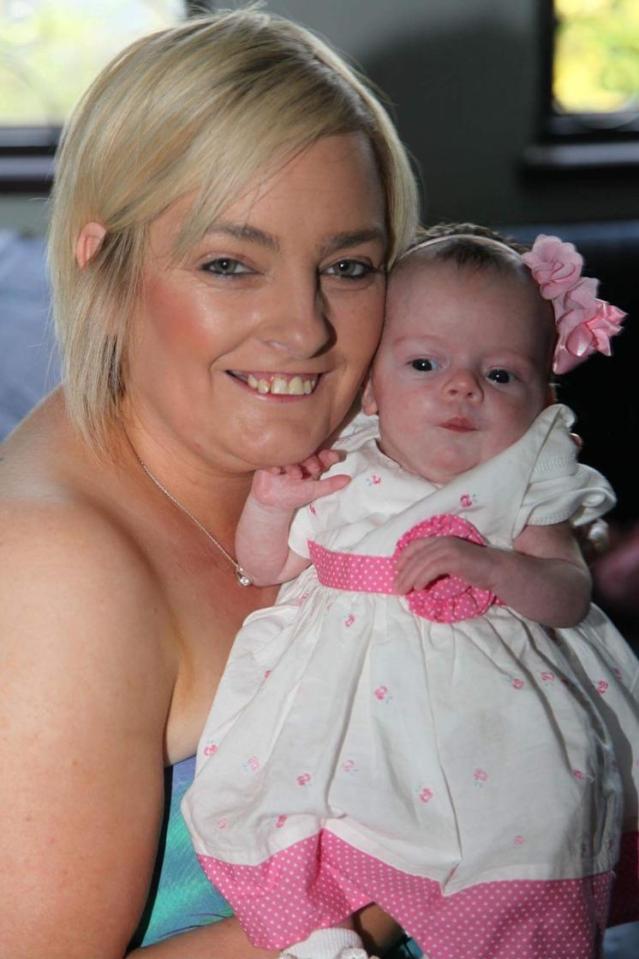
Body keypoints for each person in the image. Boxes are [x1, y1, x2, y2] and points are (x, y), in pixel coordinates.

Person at [0, 10, 422, 958]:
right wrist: (410, 889)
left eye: (348, 266)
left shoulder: (348, 456)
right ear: (100, 259)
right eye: (230, 265)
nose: (305, 327)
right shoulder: (54, 568)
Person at [182, 228, 639, 959]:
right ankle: (317, 934)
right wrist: (270, 505)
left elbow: (565, 592)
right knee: (289, 806)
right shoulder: (343, 460)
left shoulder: (524, 477)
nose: (460, 387)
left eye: (500, 375)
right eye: (424, 363)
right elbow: (265, 567)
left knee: (532, 818)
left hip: (493, 722)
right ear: (371, 384)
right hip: (343, 706)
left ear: (543, 395)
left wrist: (490, 568)